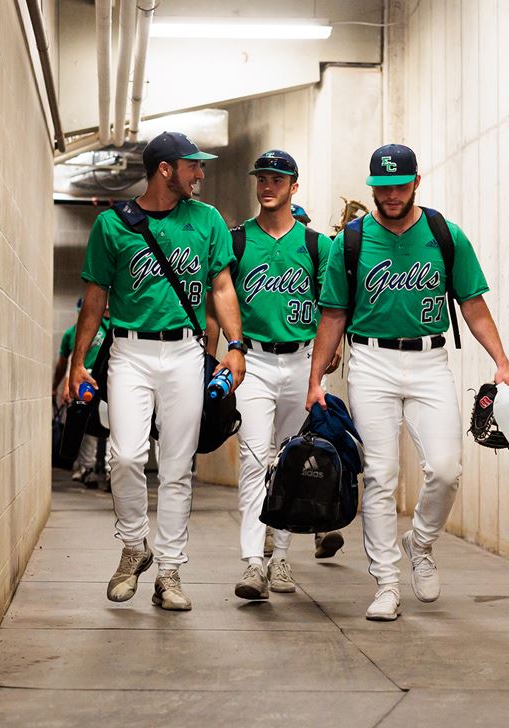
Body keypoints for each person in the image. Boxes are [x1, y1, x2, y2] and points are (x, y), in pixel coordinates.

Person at [306, 144, 509, 621]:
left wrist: (502, 362)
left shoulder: (444, 235)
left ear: (416, 181)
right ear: (373, 188)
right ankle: (385, 583)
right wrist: (315, 378)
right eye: (383, 188)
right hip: (370, 363)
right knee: (380, 476)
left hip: (429, 361)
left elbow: (473, 303)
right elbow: (334, 314)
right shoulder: (352, 241)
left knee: (445, 468)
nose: (392, 195)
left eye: (400, 186)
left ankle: (420, 543)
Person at [69, 131, 246, 612]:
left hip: (186, 353)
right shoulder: (112, 225)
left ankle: (168, 570)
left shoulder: (207, 221)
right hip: (129, 352)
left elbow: (223, 287)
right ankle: (133, 546)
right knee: (125, 456)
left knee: (176, 466)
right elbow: (95, 299)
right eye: (193, 166)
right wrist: (78, 363)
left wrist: (236, 346)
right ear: (166, 169)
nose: (201, 174)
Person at [206, 149, 342, 602]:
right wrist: (225, 349)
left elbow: (331, 309)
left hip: (301, 360)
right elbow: (219, 298)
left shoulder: (316, 244)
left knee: (288, 461)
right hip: (255, 362)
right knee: (253, 459)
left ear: (293, 186)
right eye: (262, 178)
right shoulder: (238, 239)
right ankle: (252, 562)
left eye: (277, 179)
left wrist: (325, 359)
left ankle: (281, 556)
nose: (268, 185)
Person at [53, 298, 110, 486]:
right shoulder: (73, 333)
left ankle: (111, 470)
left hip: (110, 377)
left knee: (113, 424)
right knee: (87, 424)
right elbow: (68, 361)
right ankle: (88, 467)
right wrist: (64, 385)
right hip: (86, 378)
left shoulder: (113, 326)